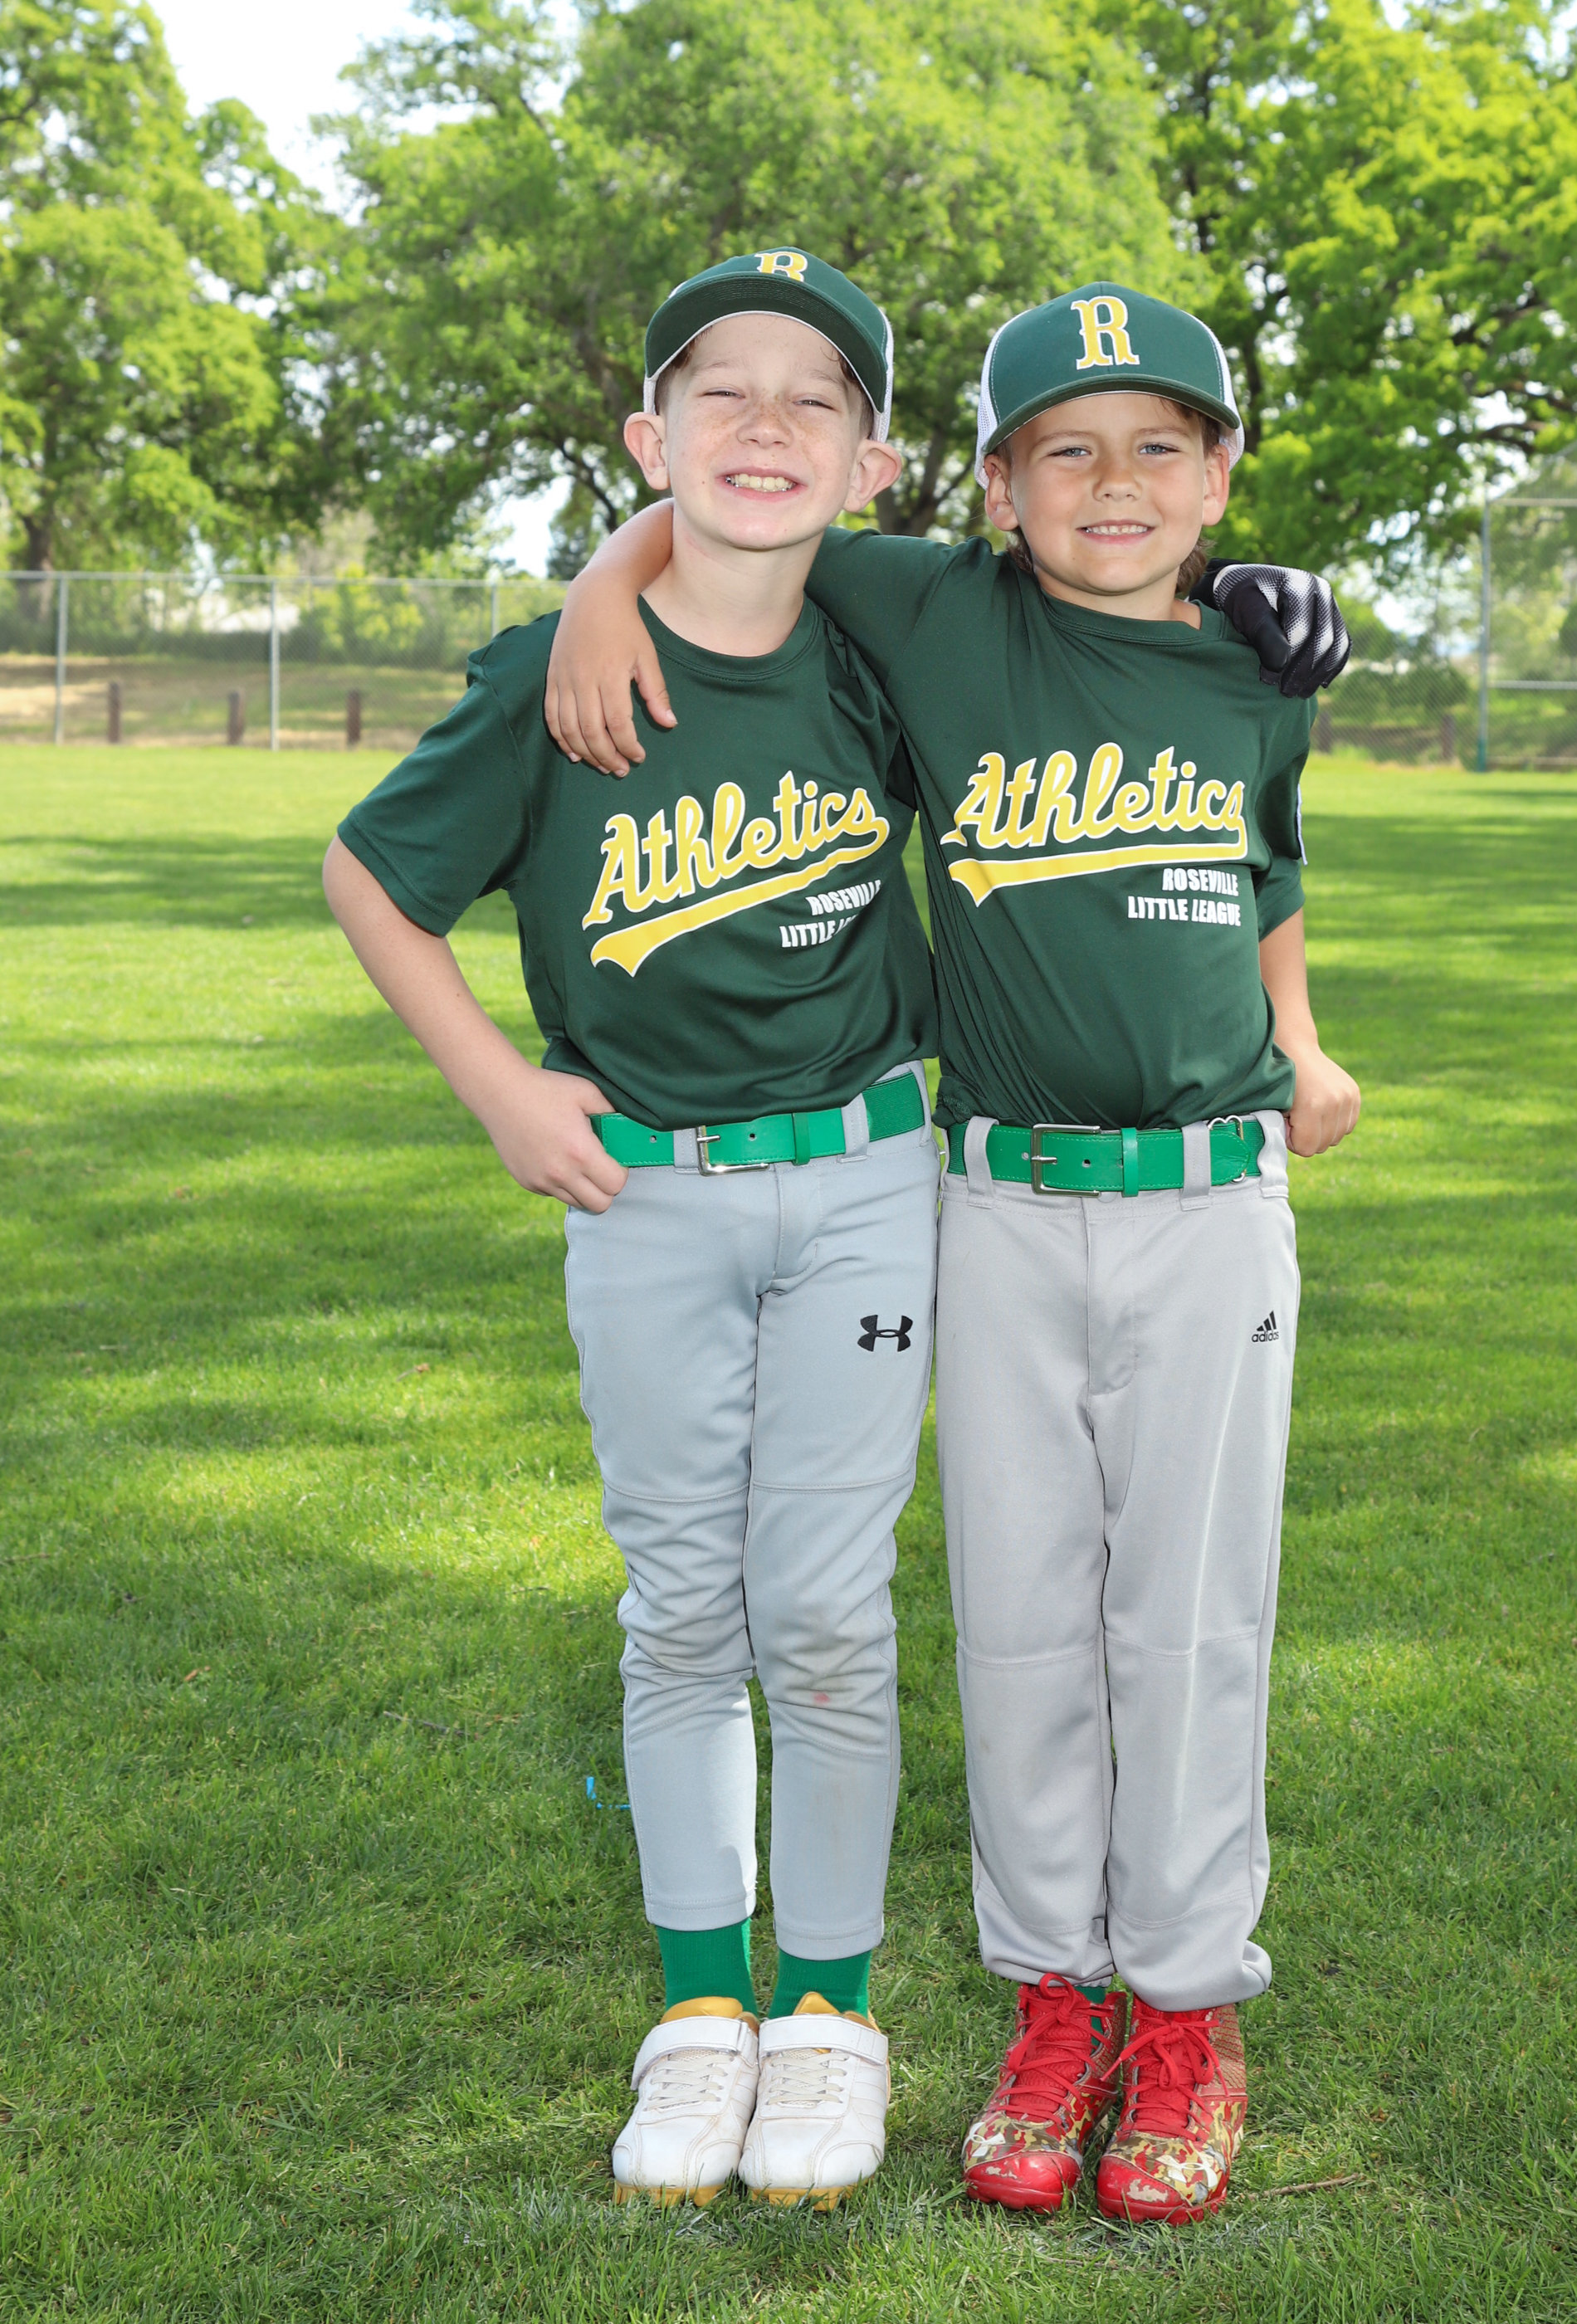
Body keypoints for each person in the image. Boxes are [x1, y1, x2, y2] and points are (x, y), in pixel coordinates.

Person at [538, 279, 1361, 2224]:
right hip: (988, 1202)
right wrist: (594, 586)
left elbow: (1262, 870)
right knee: (1019, 1621)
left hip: (1211, 1201)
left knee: (1190, 1620)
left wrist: (1303, 1036)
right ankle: (1052, 2001)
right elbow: (741, 499)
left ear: (1220, 473)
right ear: (993, 485)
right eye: (1063, 448)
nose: (1112, 481)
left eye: (1159, 445)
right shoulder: (931, 613)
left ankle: (1186, 2007)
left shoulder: (1256, 665)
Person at [323, 250, 945, 2212]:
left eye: (816, 397)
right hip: (644, 1188)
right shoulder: (558, 667)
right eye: (720, 389)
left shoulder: (886, 642)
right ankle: (698, 2001)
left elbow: (1081, 612)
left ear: (873, 461)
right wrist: (500, 1089)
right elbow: (370, 872)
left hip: (868, 1179)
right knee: (681, 1600)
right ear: (646, 433)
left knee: (825, 1606)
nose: (767, 422)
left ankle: (826, 2006)